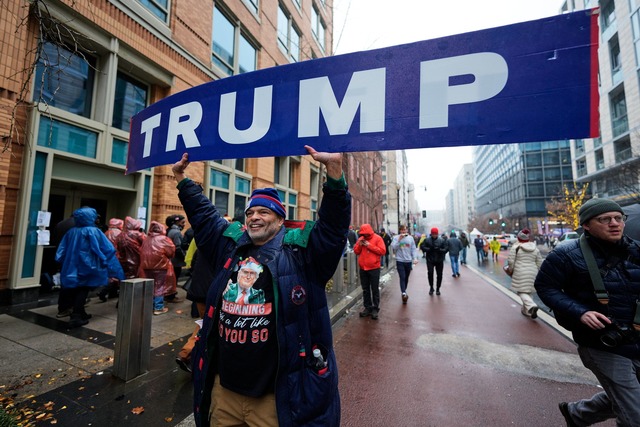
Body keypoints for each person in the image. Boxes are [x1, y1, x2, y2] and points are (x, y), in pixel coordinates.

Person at [172, 146, 349, 426]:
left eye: (264, 212)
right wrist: (182, 178)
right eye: (250, 211)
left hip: (273, 399)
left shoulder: (301, 254)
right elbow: (205, 218)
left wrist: (335, 177)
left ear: (280, 220)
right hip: (224, 392)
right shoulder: (230, 247)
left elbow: (332, 229)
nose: (254, 216)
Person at [535, 198, 640, 426]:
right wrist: (580, 312)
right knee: (635, 415)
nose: (615, 223)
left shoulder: (636, 249)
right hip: (603, 344)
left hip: (637, 337)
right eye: (605, 219)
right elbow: (545, 287)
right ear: (586, 225)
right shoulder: (565, 255)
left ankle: (577, 414)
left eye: (618, 218)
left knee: (627, 397)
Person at [55, 207, 124, 328]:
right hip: (88, 266)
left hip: (71, 266)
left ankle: (81, 312)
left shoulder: (71, 232)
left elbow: (61, 251)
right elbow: (108, 249)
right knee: (83, 289)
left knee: (76, 288)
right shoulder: (94, 231)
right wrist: (105, 262)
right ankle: (76, 316)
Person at [138, 221, 176, 316]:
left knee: (149, 286)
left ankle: (148, 306)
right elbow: (171, 252)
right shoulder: (164, 239)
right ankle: (158, 307)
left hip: (146, 266)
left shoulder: (147, 238)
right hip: (160, 266)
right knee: (159, 286)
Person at [354, 223, 386, 319]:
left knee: (374, 289)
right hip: (363, 268)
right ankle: (367, 307)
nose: (365, 236)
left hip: (374, 268)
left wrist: (369, 245)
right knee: (365, 289)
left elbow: (382, 251)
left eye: (366, 234)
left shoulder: (377, 238)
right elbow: (356, 251)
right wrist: (360, 245)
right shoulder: (361, 239)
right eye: (363, 234)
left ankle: (375, 308)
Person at [508, 229, 542, 319]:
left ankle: (531, 305)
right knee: (528, 291)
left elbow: (511, 262)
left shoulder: (516, 247)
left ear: (519, 238)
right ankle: (526, 311)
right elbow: (540, 262)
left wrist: (510, 270)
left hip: (520, 271)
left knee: (521, 291)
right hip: (533, 272)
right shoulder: (535, 248)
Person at [390, 225, 419, 304]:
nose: (403, 232)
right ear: (400, 231)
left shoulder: (410, 238)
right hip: (400, 261)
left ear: (407, 230)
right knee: (402, 277)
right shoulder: (396, 238)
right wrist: (399, 240)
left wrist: (415, 258)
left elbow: (413, 249)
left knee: (406, 278)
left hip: (408, 261)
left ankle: (404, 290)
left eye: (405, 230)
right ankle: (403, 293)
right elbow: (393, 247)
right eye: (402, 230)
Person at [98, 218, 124, 302]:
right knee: (116, 276)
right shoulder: (120, 234)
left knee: (110, 275)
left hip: (105, 256)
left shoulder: (106, 233)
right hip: (115, 257)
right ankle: (103, 291)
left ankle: (112, 293)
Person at [420, 227, 449, 295]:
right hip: (430, 259)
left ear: (437, 234)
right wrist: (429, 249)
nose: (434, 235)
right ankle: (431, 287)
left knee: (439, 275)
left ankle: (438, 288)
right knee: (430, 273)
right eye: (433, 234)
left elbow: (446, 249)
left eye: (435, 234)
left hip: (439, 260)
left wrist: (440, 250)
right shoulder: (427, 240)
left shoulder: (441, 240)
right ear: (431, 234)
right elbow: (422, 247)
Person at [166, 214, 186, 301]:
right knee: (174, 278)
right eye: (182, 222)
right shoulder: (176, 232)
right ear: (177, 222)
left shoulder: (168, 230)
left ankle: (169, 295)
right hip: (176, 260)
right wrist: (184, 256)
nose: (184, 224)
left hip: (169, 259)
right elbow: (178, 247)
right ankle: (171, 296)